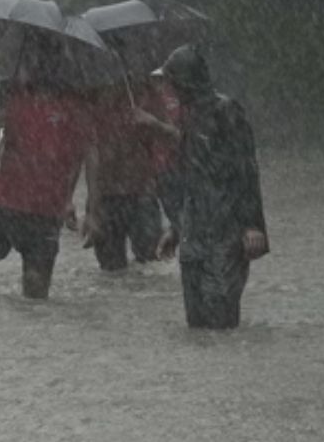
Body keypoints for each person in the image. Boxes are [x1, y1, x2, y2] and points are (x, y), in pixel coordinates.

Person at [0, 31, 101, 300]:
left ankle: (29, 340)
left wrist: (91, 209)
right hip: (4, 201)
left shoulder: (75, 102)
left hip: (46, 210)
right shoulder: (6, 92)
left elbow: (87, 155)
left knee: (35, 293)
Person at [153, 45, 268, 329]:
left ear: (183, 83)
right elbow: (190, 179)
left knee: (221, 320)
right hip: (194, 234)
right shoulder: (188, 117)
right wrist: (176, 229)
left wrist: (252, 225)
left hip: (226, 234)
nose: (167, 89)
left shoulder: (226, 111)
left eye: (170, 82)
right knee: (197, 327)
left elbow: (246, 170)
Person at [83, 75, 180, 271]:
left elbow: (178, 139)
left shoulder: (147, 95)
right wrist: (91, 211)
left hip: (143, 193)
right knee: (110, 270)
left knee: (151, 265)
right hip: (107, 197)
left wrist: (153, 123)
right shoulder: (95, 99)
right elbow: (91, 157)